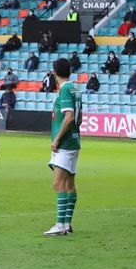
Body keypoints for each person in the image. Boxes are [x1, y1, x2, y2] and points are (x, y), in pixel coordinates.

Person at [44, 58, 81, 236]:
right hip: (74, 142)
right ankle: (67, 223)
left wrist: (57, 139)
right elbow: (79, 118)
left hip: (65, 144)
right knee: (69, 184)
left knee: (58, 184)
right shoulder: (75, 88)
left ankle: (60, 225)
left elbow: (69, 117)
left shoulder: (65, 89)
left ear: (54, 72)